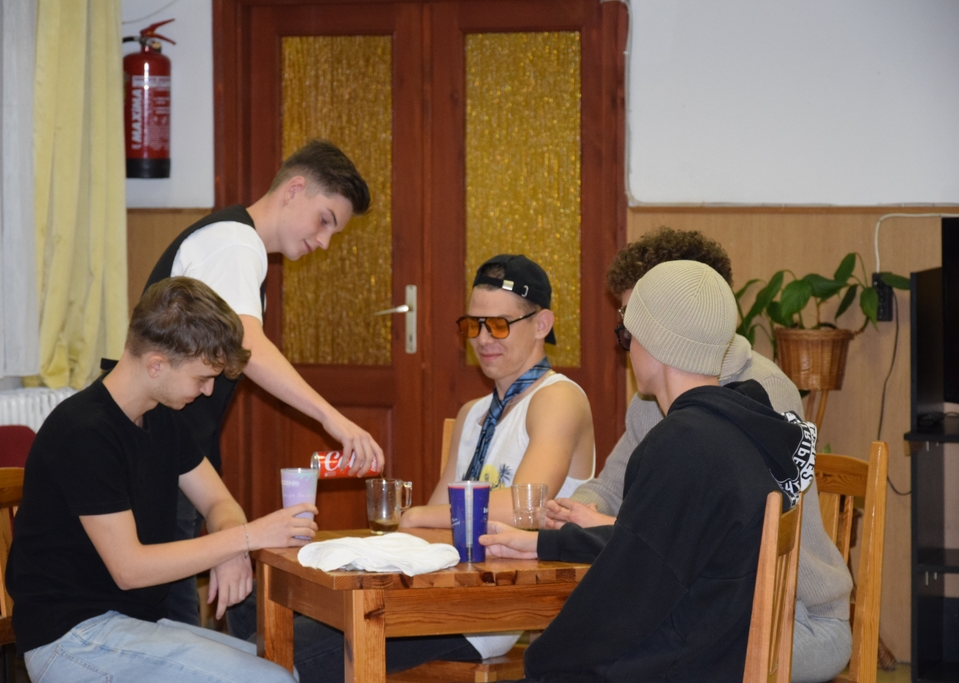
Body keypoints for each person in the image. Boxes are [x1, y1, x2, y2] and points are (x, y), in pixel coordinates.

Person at [482, 259, 817, 682]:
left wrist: (541, 659)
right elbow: (651, 546)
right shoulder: (740, 428)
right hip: (715, 657)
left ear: (655, 344)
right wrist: (548, 543)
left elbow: (626, 599)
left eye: (627, 335)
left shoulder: (685, 445)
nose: (628, 349)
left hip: (680, 668)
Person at [546, 228, 853, 683]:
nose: (629, 341)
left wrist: (610, 529)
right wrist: (570, 513)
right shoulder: (653, 400)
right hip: (719, 604)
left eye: (635, 326)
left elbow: (720, 541)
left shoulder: (761, 394)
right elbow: (612, 485)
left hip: (793, 615)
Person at [293, 254, 596, 682]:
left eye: (499, 325)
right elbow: (427, 528)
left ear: (542, 324)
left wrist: (417, 515)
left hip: (494, 605)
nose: (483, 339)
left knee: (298, 656)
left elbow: (525, 508)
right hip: (440, 586)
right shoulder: (473, 412)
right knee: (284, 625)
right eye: (473, 325)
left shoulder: (558, 398)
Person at [5, 277, 315, 683]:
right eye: (201, 378)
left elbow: (218, 503)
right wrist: (246, 538)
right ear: (156, 365)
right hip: (71, 640)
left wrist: (232, 547)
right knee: (271, 681)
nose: (208, 391)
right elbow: (130, 569)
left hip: (131, 625)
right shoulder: (84, 432)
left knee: (282, 670)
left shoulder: (163, 418)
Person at [143, 139, 385, 633]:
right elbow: (248, 343)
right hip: (156, 451)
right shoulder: (234, 243)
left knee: (182, 620)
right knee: (171, 625)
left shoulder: (239, 246)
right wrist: (332, 418)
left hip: (179, 452)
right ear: (293, 189)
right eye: (324, 220)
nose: (325, 242)